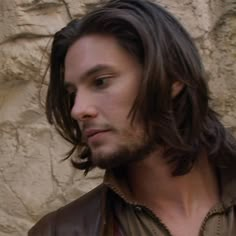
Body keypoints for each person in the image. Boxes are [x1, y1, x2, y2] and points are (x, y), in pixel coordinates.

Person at [28, 0, 236, 235]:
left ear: (171, 78)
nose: (78, 109)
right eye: (73, 94)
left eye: (100, 81)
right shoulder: (59, 232)